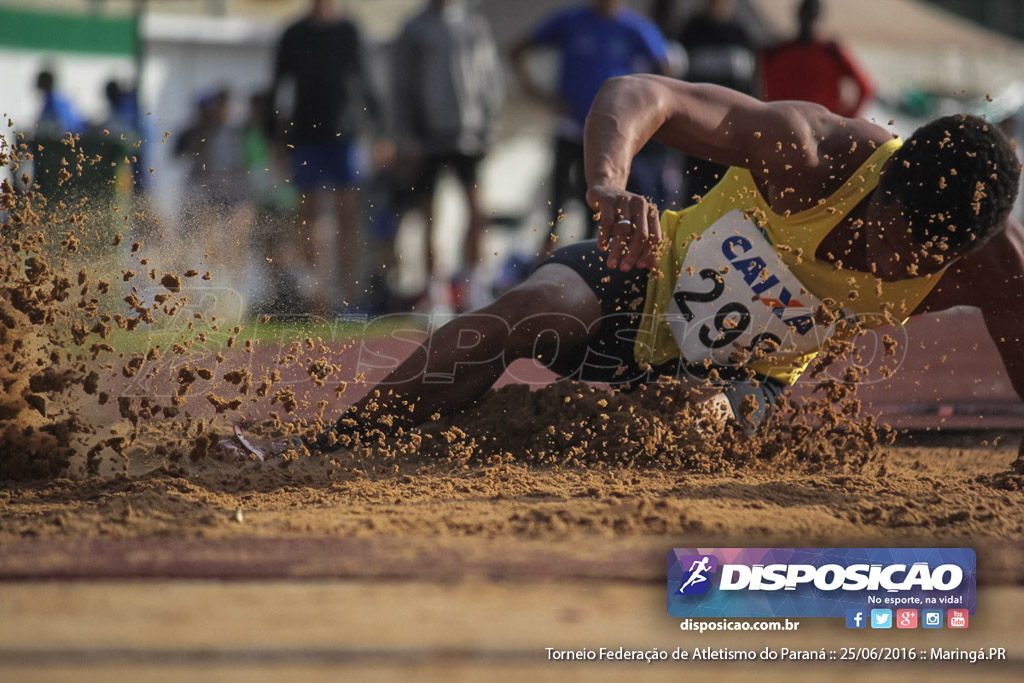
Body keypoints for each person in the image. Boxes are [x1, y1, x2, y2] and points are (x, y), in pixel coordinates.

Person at [234, 74, 1024, 462]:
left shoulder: (983, 265)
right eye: (895, 236)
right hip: (646, 273)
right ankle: (329, 447)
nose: (898, 264)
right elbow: (642, 94)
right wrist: (609, 188)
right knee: (532, 308)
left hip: (741, 378)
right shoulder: (809, 151)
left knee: (693, 426)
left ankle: (495, 431)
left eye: (926, 259)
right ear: (882, 183)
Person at [510, 0, 671, 254]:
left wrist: (641, 111)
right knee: (557, 202)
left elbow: (665, 69)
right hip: (571, 127)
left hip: (609, 134)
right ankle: (545, 262)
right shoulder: (570, 21)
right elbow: (518, 49)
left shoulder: (635, 28)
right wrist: (538, 94)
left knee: (598, 206)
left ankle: (588, 262)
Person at [392, 0, 505, 312]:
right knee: (430, 214)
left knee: (477, 210)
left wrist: (490, 128)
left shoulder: (474, 25)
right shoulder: (414, 28)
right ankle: (434, 288)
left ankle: (472, 285)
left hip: (468, 134)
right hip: (427, 136)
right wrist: (406, 137)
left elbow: (489, 76)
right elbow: (400, 84)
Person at [270, 0, 381, 314]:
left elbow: (367, 82)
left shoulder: (350, 31)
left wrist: (380, 132)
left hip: (345, 136)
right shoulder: (293, 34)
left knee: (348, 217)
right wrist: (275, 138)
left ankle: (349, 297)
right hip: (305, 137)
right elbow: (278, 85)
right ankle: (317, 295)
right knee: (309, 217)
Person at [676, 0, 758, 201]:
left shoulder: (739, 33)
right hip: (698, 136)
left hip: (733, 137)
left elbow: (751, 86)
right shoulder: (691, 32)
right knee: (697, 199)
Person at [760, 0, 875, 118]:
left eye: (809, 14)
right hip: (785, 122)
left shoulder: (831, 51)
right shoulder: (778, 51)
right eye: (806, 13)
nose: (807, 18)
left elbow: (866, 88)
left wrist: (844, 120)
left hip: (815, 126)